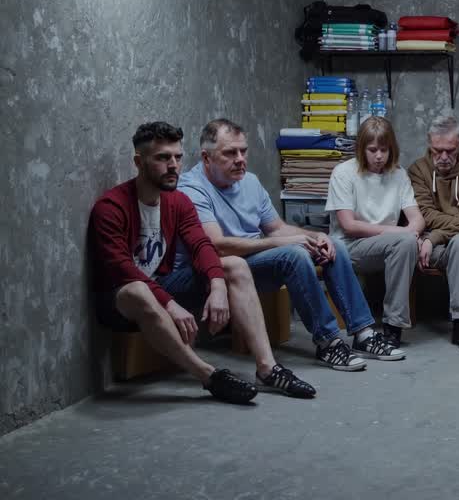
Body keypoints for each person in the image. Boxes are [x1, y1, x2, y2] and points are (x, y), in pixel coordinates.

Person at [89, 122, 314, 403]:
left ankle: (268, 368)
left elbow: (201, 245)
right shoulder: (111, 208)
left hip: (165, 284)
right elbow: (122, 269)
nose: (173, 165)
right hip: (121, 298)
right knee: (138, 289)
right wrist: (169, 303)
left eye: (177, 157)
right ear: (139, 161)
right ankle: (209, 376)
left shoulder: (178, 201)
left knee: (234, 265)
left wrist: (218, 285)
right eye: (162, 158)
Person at [178, 118, 403, 373]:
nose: (240, 159)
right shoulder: (192, 188)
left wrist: (314, 236)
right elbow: (216, 246)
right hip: (224, 268)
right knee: (293, 255)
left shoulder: (248, 181)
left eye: (243, 151)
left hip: (257, 257)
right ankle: (327, 341)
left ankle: (363, 333)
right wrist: (288, 242)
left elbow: (276, 228)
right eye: (230, 153)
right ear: (206, 158)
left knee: (335, 246)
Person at [326, 116, 425, 348]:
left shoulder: (399, 175)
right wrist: (400, 233)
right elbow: (349, 225)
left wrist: (409, 235)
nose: (379, 156)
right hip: (348, 247)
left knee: (407, 243)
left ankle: (393, 326)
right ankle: (385, 325)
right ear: (361, 149)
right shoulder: (343, 173)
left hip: (386, 247)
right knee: (405, 241)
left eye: (384, 149)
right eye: (372, 150)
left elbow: (417, 218)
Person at [407, 114, 459, 352]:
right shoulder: (418, 171)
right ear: (429, 143)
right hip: (428, 252)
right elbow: (425, 215)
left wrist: (434, 237)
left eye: (450, 151)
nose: (442, 157)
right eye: (436, 150)